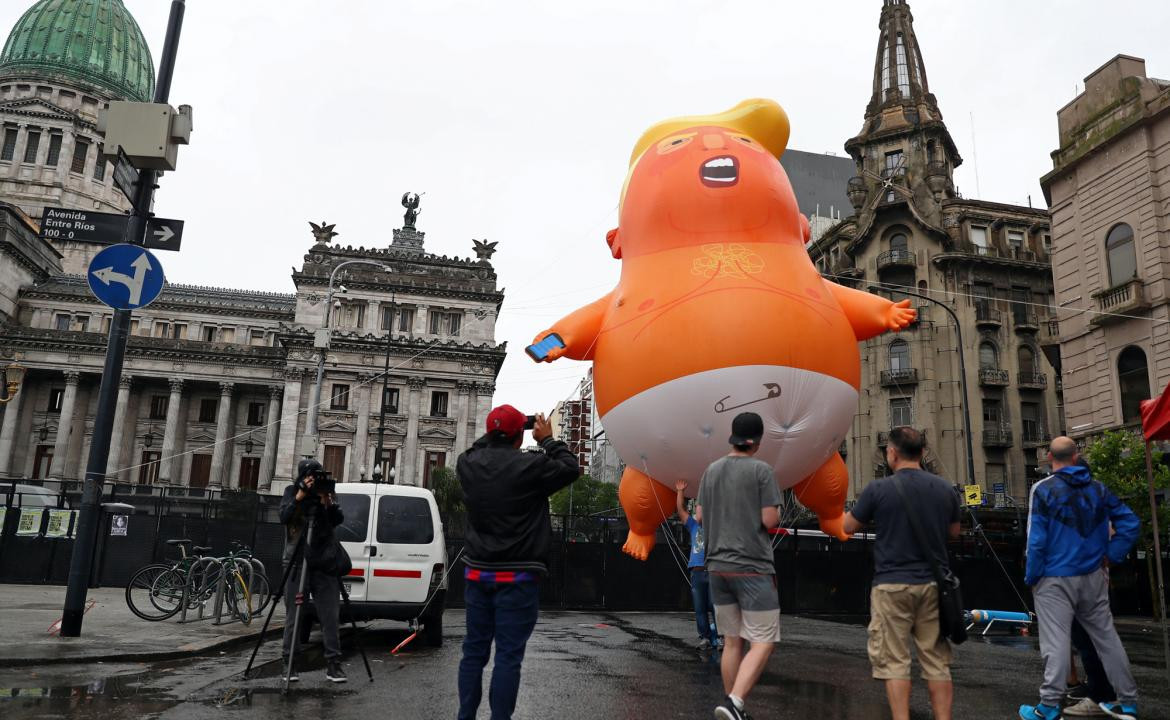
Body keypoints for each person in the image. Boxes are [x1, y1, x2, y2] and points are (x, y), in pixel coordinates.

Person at [456, 405, 580, 720]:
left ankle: (465, 716)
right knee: (508, 658)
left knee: (473, 653)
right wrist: (548, 440)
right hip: (518, 577)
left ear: (489, 433)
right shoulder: (531, 466)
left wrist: (502, 431)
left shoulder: (467, 464)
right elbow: (569, 467)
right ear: (516, 437)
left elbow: (479, 448)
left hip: (477, 574)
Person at [1018, 437, 1140, 720]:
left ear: (1050, 457)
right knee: (1107, 639)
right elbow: (1130, 522)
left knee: (1056, 641)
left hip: (1054, 576)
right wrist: (1112, 553)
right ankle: (1127, 702)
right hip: (1093, 574)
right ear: (1076, 456)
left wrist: (1032, 575)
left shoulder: (1042, 489)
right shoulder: (1098, 489)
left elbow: (1036, 538)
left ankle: (1048, 706)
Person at [843, 426, 960, 720]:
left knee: (895, 661)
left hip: (891, 584)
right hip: (933, 585)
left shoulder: (877, 489)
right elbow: (954, 533)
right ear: (923, 452)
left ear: (891, 453)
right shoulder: (945, 489)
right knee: (936, 662)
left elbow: (848, 527)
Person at [695, 411, 783, 720]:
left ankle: (733, 707)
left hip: (717, 567)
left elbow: (698, 517)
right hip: (752, 568)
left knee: (732, 642)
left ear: (732, 437)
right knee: (764, 639)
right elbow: (769, 519)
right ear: (758, 441)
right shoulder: (762, 471)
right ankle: (735, 703)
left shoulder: (711, 471)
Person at [279, 459, 346, 683]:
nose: (314, 480)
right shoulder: (291, 491)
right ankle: (290, 664)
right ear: (302, 476)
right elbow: (284, 517)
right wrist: (300, 496)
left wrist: (327, 501)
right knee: (294, 616)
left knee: (330, 616)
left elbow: (338, 520)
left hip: (324, 563)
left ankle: (334, 665)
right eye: (310, 476)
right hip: (297, 562)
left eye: (317, 476)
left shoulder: (324, 493)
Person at [676, 479, 719, 651]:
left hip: (715, 571)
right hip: (698, 573)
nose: (700, 510)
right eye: (699, 507)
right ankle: (705, 638)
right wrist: (680, 491)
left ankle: (720, 637)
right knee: (700, 607)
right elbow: (680, 510)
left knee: (717, 607)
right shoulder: (694, 526)